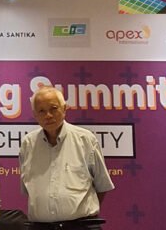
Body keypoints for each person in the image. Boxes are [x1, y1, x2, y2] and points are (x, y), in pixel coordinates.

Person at [19, 87, 114, 230]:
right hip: (40, 227)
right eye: (41, 111)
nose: (48, 115)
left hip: (81, 226)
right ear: (35, 115)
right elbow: (29, 190)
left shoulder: (85, 139)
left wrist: (79, 215)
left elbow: (102, 185)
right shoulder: (28, 144)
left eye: (53, 109)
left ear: (64, 109)